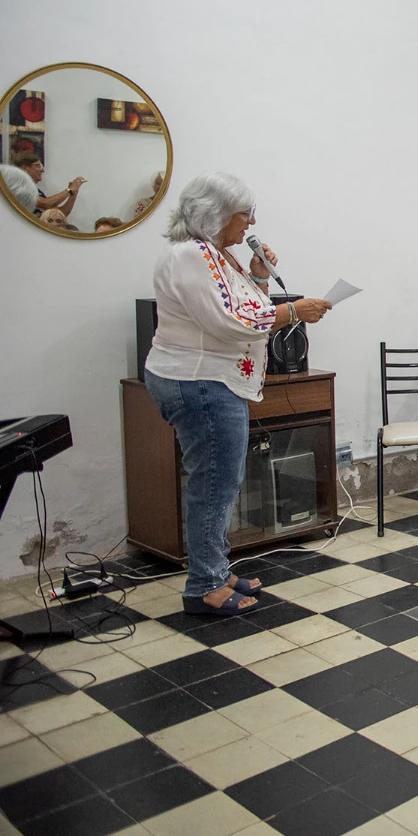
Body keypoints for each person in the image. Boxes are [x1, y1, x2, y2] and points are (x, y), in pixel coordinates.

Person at [143, 174, 331, 615]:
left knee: (221, 481)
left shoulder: (215, 254)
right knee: (214, 485)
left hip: (213, 381)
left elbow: (250, 305)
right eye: (244, 213)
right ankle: (203, 586)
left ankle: (216, 567)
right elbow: (231, 322)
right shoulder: (190, 255)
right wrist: (293, 311)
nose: (251, 222)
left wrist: (260, 276)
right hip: (199, 382)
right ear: (215, 213)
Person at [11, 155, 84, 216]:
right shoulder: (18, 188)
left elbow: (61, 213)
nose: (42, 170)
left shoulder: (37, 191)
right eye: (38, 166)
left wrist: (74, 192)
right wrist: (69, 190)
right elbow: (46, 204)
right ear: (25, 168)